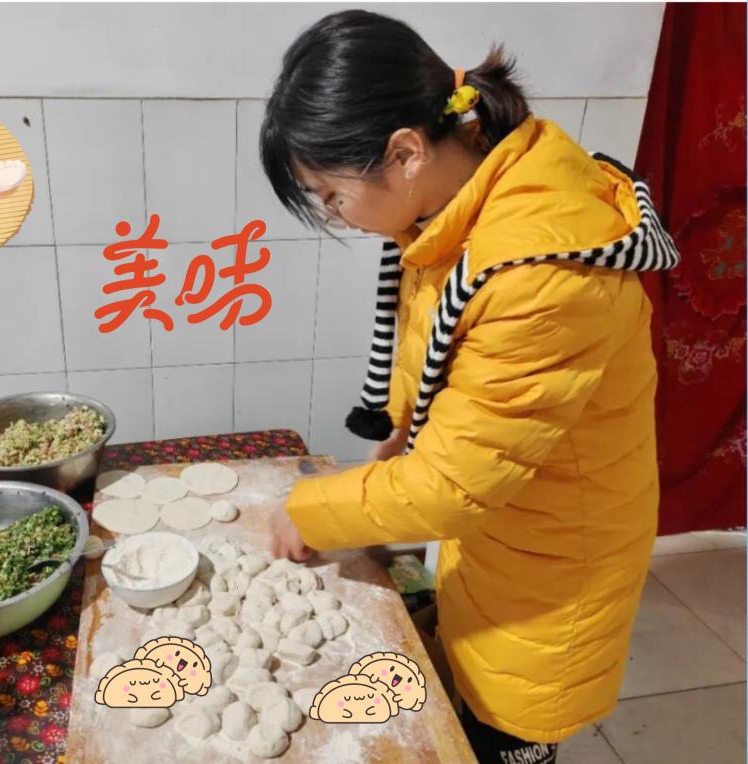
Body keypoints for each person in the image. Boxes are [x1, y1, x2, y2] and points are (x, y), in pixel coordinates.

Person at [259, 10, 679, 764]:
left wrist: (315, 510)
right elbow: (444, 368)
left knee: (505, 731)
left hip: (551, 570)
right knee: (460, 692)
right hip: (502, 528)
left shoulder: (540, 274)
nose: (335, 217)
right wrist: (396, 443)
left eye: (331, 196)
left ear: (405, 152)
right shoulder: (460, 204)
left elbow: (453, 485)